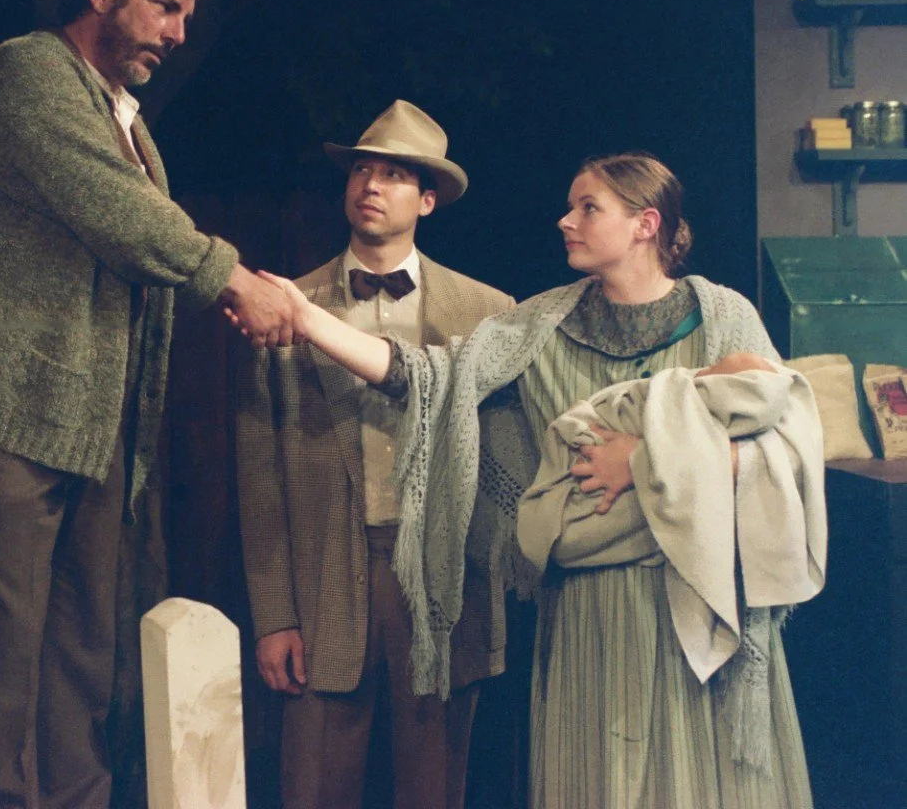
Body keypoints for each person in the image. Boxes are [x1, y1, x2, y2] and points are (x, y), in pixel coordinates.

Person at [249, 152, 823, 809]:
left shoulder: (723, 318)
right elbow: (425, 377)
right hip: (590, 613)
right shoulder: (539, 327)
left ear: (646, 224)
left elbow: (781, 449)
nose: (565, 221)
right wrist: (308, 318)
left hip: (697, 598)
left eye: (588, 208)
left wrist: (644, 456)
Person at [0, 0, 298, 808]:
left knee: (84, 659)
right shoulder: (26, 74)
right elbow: (124, 218)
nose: (176, 32)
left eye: (184, 15)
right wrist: (234, 280)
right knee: (3, 662)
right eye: (163, 6)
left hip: (88, 422)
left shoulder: (118, 115)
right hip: (12, 407)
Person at [236, 100, 512, 809]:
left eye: (394, 174)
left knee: (434, 786)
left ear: (426, 199)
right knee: (314, 783)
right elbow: (260, 471)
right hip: (327, 568)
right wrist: (273, 616)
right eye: (363, 168)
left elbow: (503, 464)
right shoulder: (288, 302)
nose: (372, 184)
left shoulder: (486, 310)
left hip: (440, 579)